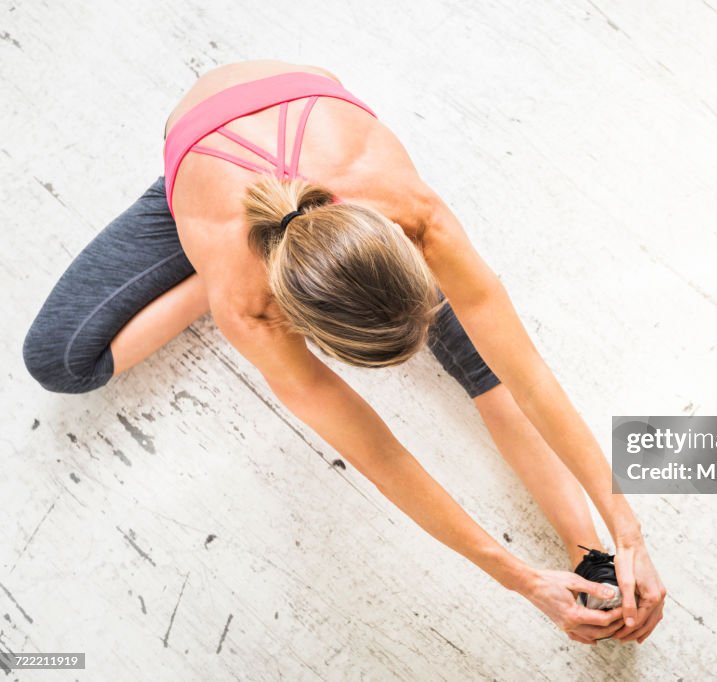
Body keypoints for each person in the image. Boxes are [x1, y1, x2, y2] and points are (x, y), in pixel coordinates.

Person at [22, 59, 666, 644]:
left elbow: (528, 379)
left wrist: (623, 533)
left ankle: (592, 559)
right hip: (212, 185)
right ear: (294, 321)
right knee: (59, 361)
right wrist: (520, 579)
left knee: (490, 370)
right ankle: (209, 269)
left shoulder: (415, 213)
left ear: (402, 246)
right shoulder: (248, 309)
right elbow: (381, 455)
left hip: (311, 137)